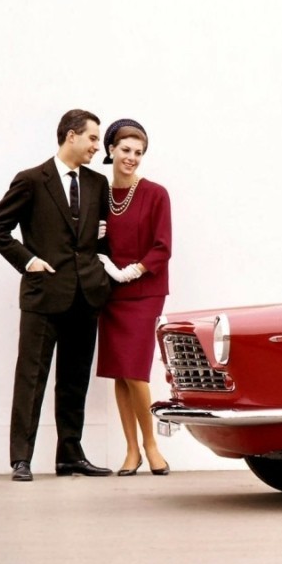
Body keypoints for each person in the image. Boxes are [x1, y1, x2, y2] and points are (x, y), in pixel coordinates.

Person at [0, 109, 115, 481]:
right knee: (31, 378)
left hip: (86, 295)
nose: (97, 146)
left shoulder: (97, 183)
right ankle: (21, 459)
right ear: (71, 135)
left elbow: (101, 238)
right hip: (43, 296)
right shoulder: (31, 180)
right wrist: (28, 261)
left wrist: (100, 275)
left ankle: (69, 455)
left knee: (75, 379)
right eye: (93, 138)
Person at [95, 118, 173, 476]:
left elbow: (163, 247)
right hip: (111, 292)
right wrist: (101, 256)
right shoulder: (100, 194)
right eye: (126, 150)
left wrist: (134, 270)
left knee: (136, 371)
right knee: (120, 373)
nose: (132, 157)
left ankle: (151, 446)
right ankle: (131, 451)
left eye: (138, 152)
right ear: (111, 149)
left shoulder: (156, 193)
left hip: (145, 291)